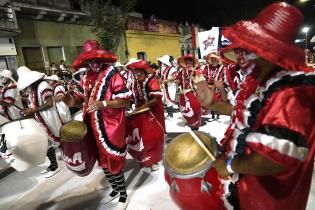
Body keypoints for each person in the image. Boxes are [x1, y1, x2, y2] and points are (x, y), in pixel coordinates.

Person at [195, 2, 315, 210]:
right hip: (246, 186)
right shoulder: (260, 78)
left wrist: (231, 165)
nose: (240, 52)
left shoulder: (290, 94)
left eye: (247, 46)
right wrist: (212, 104)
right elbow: (247, 113)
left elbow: (276, 158)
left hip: (266, 196)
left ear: (266, 49)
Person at [65, 40, 132, 209]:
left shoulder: (113, 74)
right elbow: (81, 100)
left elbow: (125, 101)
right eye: (90, 61)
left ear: (102, 58)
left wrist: (104, 104)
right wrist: (70, 100)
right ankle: (115, 189)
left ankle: (123, 195)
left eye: (96, 59)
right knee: (103, 162)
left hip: (111, 126)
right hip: (93, 125)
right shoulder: (85, 77)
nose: (93, 64)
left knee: (114, 162)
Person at [17, 66, 62, 178]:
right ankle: (53, 165)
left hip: (48, 118)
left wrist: (33, 110)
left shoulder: (43, 86)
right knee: (47, 144)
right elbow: (34, 105)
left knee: (59, 141)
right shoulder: (33, 88)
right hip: (40, 119)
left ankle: (66, 162)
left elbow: (50, 103)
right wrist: (28, 111)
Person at [125, 58, 165, 171]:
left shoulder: (152, 80)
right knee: (142, 138)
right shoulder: (134, 83)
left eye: (137, 71)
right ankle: (144, 157)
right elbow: (132, 98)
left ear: (143, 70)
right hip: (140, 113)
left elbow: (156, 99)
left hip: (154, 112)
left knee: (154, 137)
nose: (135, 73)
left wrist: (143, 107)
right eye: (133, 71)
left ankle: (154, 160)